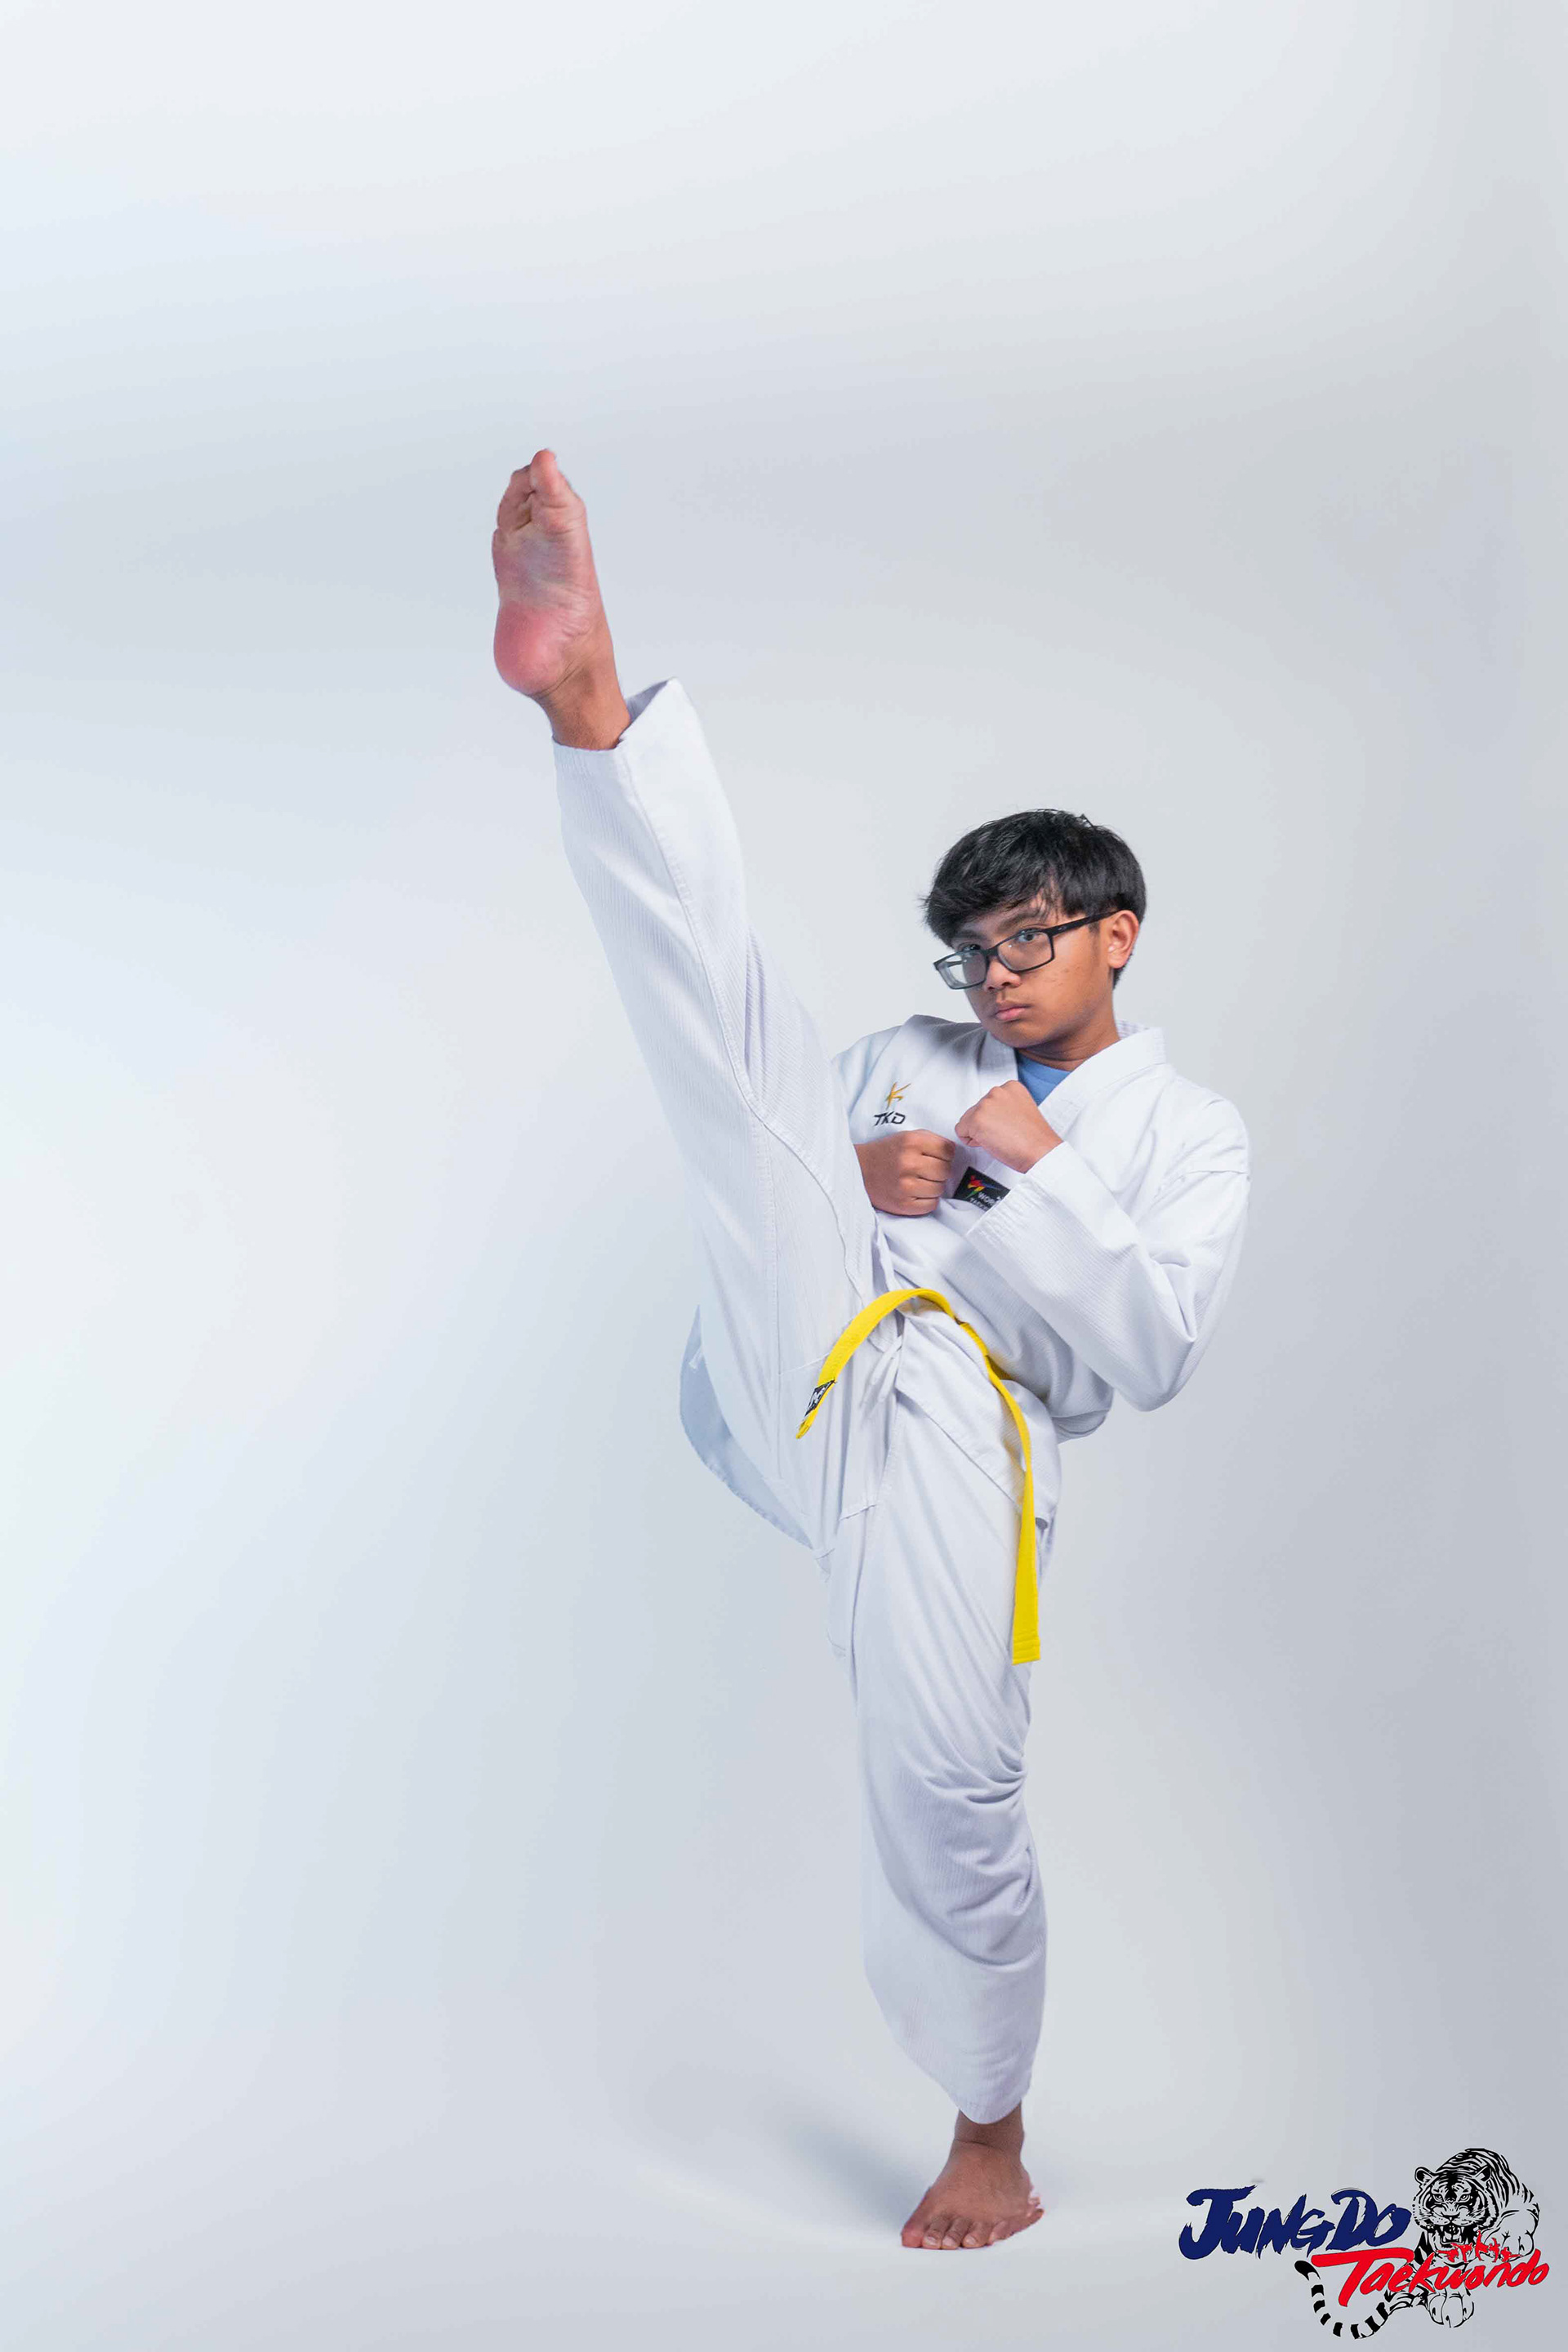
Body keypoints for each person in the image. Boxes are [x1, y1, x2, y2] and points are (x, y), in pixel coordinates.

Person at [492, 448, 1250, 2252]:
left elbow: (1152, 1349)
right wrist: (858, 1170)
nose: (995, 977)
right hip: (818, 1370)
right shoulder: (912, 1056)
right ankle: (592, 710)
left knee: (946, 1779)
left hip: (967, 1442)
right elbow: (762, 1167)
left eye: (1029, 940)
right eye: (971, 952)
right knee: (748, 1072)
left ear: (1117, 935)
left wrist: (1038, 1168)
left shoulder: (1190, 1132)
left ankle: (989, 2130)